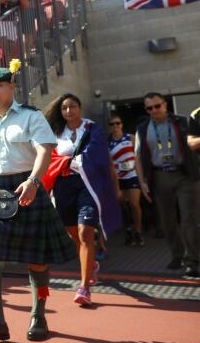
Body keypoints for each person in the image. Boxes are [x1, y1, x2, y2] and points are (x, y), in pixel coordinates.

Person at [0, 63, 75, 343]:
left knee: (37, 259)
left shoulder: (30, 117)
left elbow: (44, 150)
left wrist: (34, 182)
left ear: (12, 87)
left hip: (27, 186)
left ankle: (39, 315)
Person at [42, 94, 120, 306]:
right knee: (74, 234)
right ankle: (91, 263)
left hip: (88, 184)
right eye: (65, 108)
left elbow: (98, 153)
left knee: (86, 231)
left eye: (73, 106)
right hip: (63, 187)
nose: (69, 111)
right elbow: (49, 157)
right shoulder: (55, 133)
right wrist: (65, 162)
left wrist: (72, 161)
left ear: (80, 107)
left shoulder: (92, 128)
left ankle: (84, 287)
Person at [134, 93, 200, 279]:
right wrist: (142, 181)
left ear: (165, 105)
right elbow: (137, 157)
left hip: (185, 175)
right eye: (149, 108)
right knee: (167, 221)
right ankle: (177, 255)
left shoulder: (182, 121)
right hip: (159, 176)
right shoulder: (142, 128)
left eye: (157, 106)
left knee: (189, 219)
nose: (154, 111)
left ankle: (193, 261)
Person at [108, 112, 144, 247]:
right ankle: (129, 229)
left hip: (132, 174)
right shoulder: (108, 142)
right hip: (117, 178)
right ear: (109, 127)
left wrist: (142, 175)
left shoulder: (131, 137)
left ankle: (138, 231)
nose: (115, 126)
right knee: (123, 206)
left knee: (134, 204)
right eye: (112, 124)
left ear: (122, 125)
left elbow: (139, 156)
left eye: (118, 123)